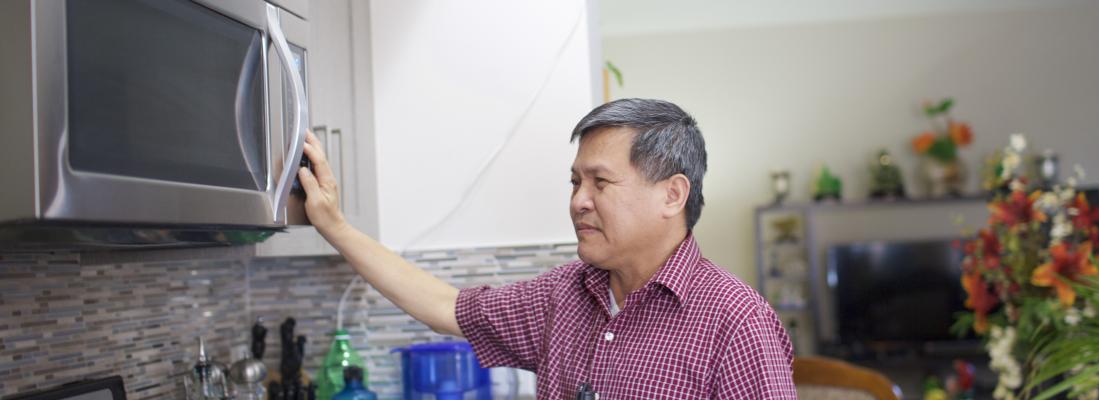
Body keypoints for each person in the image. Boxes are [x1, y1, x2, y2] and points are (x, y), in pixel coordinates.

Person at [298, 98, 797, 399]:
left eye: (600, 182)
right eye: (575, 181)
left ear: (672, 194)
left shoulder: (736, 322)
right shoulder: (563, 295)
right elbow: (445, 307)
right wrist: (336, 226)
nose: (578, 201)